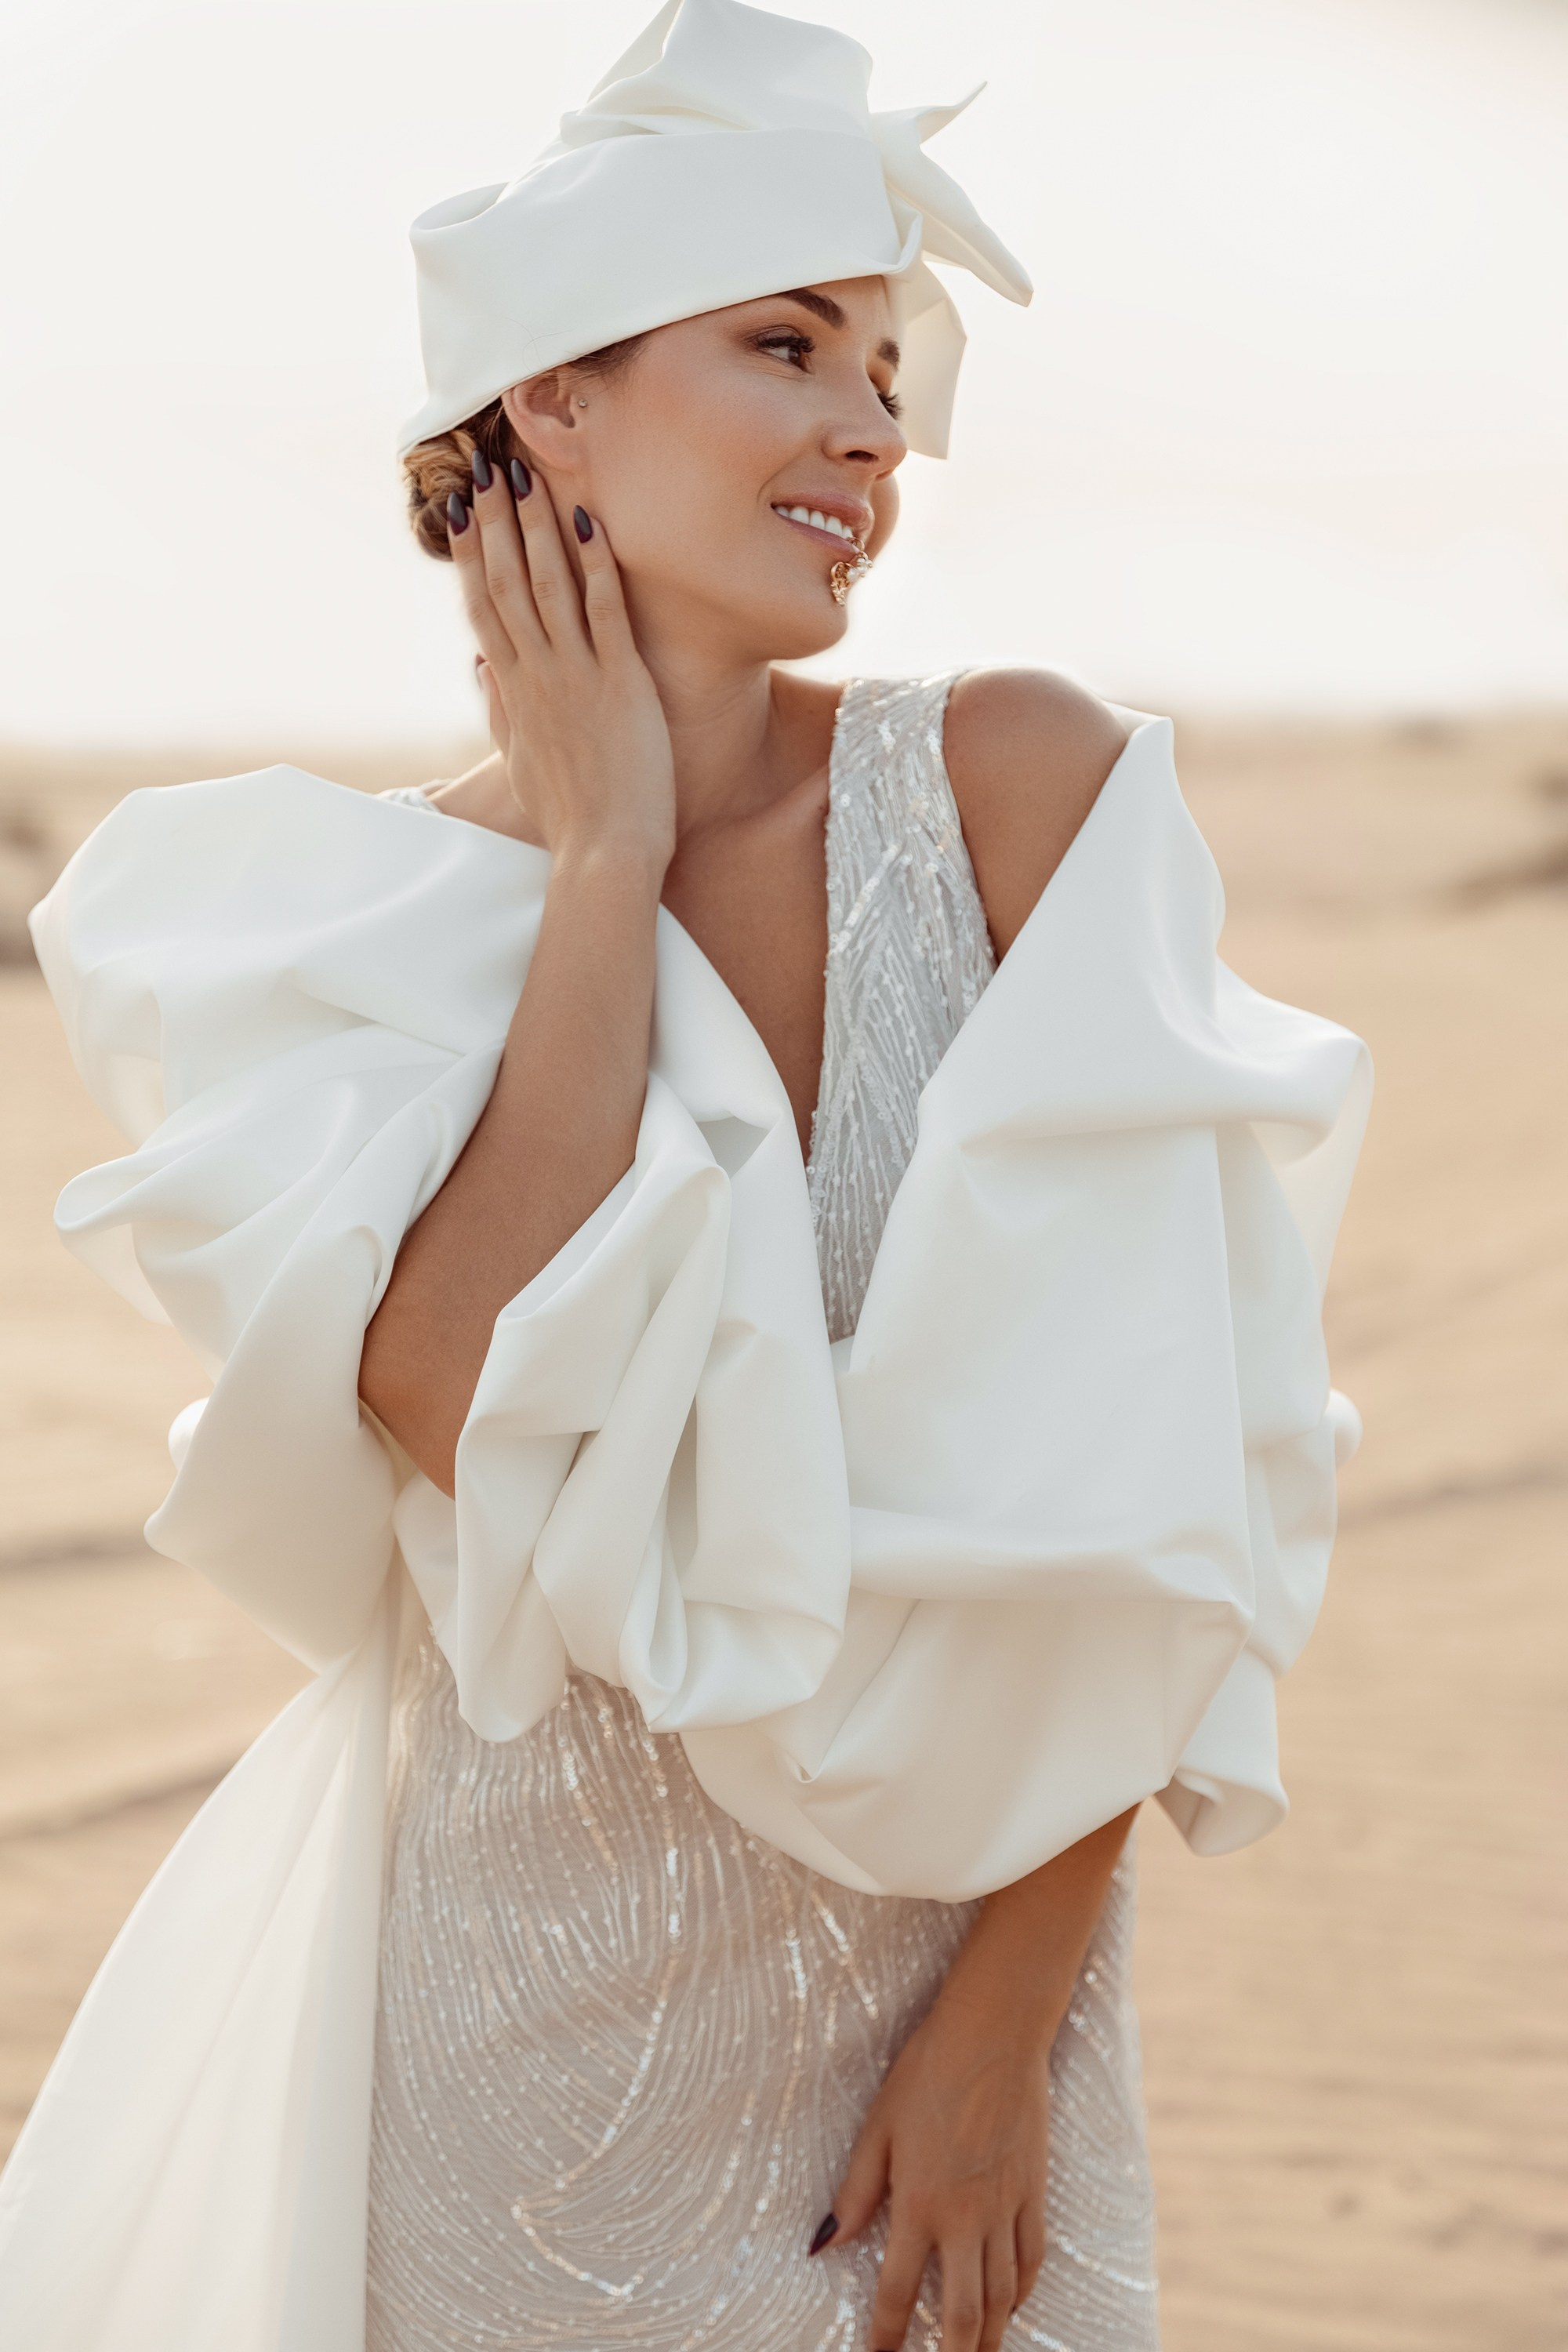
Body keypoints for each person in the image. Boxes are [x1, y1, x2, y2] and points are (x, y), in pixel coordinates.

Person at [0, 5, 1372, 2350]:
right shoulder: (332, 924)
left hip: (954, 2037)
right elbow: (450, 1401)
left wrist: (1001, 2035)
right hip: (519, 2058)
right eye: (783, 345)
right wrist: (604, 852)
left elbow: (1171, 1496)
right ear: (556, 400)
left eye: (884, 362)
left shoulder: (1023, 795)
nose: (870, 423)